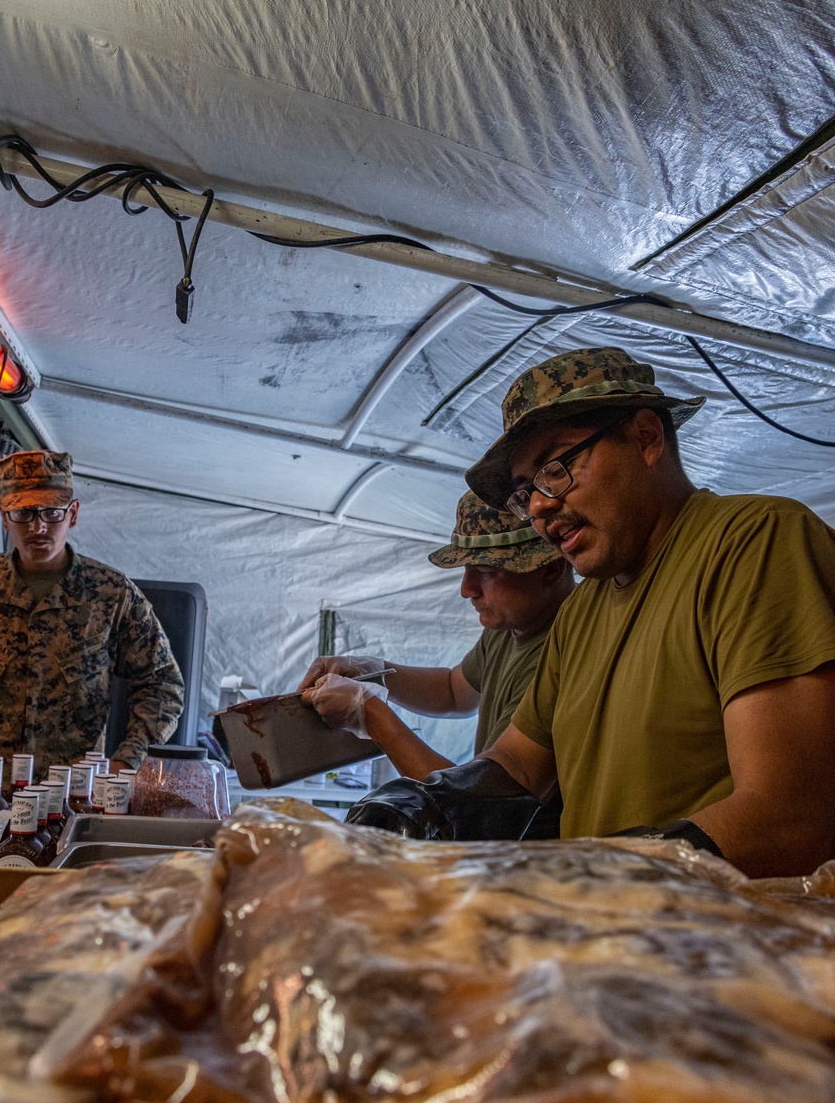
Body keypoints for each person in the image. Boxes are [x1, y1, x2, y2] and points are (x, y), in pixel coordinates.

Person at [438, 344, 835, 880]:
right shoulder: (580, 613)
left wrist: (592, 878)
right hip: (615, 940)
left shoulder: (754, 542)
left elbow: (789, 815)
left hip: (726, 950)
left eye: (556, 468)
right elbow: (518, 764)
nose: (537, 505)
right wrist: (431, 802)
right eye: (524, 490)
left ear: (646, 438)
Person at [0, 450, 184, 780]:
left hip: (71, 799)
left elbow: (162, 683)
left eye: (52, 512)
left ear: (73, 514)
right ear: (3, 515)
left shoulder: (111, 595)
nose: (38, 526)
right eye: (23, 513)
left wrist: (128, 758)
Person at [298, 491, 572, 780]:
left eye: (486, 571)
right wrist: (374, 672)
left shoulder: (565, 650)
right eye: (466, 570)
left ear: (551, 568)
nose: (467, 589)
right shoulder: (511, 626)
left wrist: (370, 714)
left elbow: (485, 802)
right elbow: (454, 692)